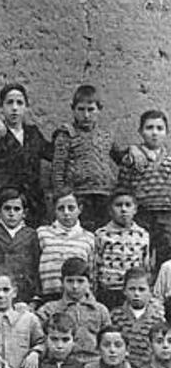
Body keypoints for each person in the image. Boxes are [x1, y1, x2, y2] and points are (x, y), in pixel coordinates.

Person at [52, 85, 128, 231]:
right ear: (73, 109)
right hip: (78, 196)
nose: (86, 115)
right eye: (81, 109)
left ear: (99, 110)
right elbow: (58, 170)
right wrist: (62, 198)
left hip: (105, 195)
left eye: (91, 109)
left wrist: (133, 150)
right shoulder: (66, 134)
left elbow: (121, 159)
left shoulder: (106, 136)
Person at [0, 83, 51, 225]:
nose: (14, 108)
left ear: (26, 107)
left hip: (32, 206)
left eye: (19, 103)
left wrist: (65, 135)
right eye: (9, 102)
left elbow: (52, 153)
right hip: (5, 208)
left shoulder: (33, 134)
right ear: (1, 107)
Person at [118, 110, 171, 264]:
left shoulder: (169, 161)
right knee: (138, 256)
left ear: (167, 132)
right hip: (140, 215)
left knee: (166, 256)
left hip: (166, 217)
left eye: (160, 128)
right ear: (140, 131)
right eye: (149, 128)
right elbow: (123, 189)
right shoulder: (132, 159)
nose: (154, 133)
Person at [36, 257, 111, 363]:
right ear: (62, 282)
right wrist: (36, 352)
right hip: (62, 365)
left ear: (89, 282)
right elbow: (38, 338)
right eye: (70, 281)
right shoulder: (50, 309)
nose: (75, 286)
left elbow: (107, 341)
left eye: (80, 281)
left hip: (93, 363)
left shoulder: (100, 310)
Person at [0, 188, 40, 303]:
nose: (12, 213)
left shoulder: (31, 235)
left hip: (23, 294)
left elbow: (35, 266)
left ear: (24, 213)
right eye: (7, 208)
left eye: (17, 209)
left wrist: (35, 297)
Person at [37, 189, 96, 300]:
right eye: (61, 208)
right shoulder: (42, 233)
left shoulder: (88, 238)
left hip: (77, 296)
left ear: (80, 209)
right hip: (48, 296)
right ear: (54, 210)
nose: (66, 213)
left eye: (71, 208)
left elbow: (92, 273)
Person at [95, 189, 150, 308]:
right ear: (110, 210)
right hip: (108, 292)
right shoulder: (102, 234)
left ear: (135, 209)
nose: (123, 209)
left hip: (133, 292)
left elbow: (145, 265)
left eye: (128, 205)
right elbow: (95, 265)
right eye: (118, 205)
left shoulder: (142, 235)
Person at [0, 269, 44, 368]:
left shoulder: (28, 319)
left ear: (14, 292)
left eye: (6, 290)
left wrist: (35, 353)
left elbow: (42, 342)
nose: (1, 295)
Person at [110, 267, 165, 368]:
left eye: (141, 289)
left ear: (150, 291)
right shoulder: (115, 316)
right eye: (132, 289)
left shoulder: (158, 317)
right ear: (124, 291)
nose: (136, 294)